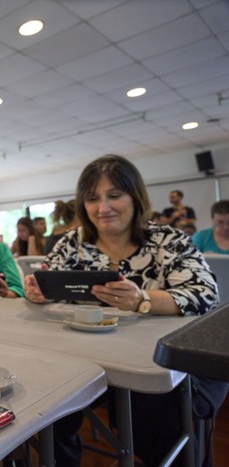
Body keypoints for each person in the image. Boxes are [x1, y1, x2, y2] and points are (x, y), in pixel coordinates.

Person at [24, 154, 224, 466]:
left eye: (114, 195)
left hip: (151, 361)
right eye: (92, 199)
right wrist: (39, 293)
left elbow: (205, 294)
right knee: (46, 406)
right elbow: (53, 288)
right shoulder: (71, 243)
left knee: (155, 423)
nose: (103, 208)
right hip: (85, 357)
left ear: (135, 196)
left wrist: (143, 299)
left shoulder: (167, 239)